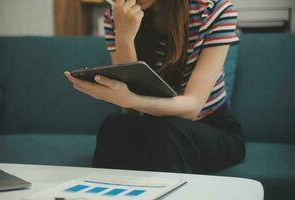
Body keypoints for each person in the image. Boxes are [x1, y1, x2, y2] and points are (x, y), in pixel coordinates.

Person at [64, 0, 245, 174]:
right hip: (153, 125)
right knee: (115, 126)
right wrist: (125, 37)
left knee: (168, 133)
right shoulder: (118, 16)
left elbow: (193, 107)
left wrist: (131, 99)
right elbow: (131, 112)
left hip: (210, 127)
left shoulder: (215, 10)